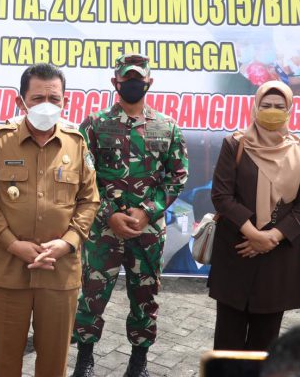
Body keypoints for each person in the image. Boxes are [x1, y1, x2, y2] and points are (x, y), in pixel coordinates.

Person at [0, 63, 100, 377]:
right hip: (8, 271)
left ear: (65, 101)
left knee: (54, 363)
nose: (47, 104)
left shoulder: (76, 142)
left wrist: (67, 243)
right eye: (38, 97)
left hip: (59, 273)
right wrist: (12, 244)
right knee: (4, 362)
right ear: (21, 102)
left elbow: (89, 200)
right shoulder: (0, 141)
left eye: (54, 98)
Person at [72, 54, 189, 377]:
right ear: (116, 83)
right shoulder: (94, 125)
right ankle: (85, 359)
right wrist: (109, 214)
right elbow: (85, 174)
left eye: (139, 79)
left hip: (147, 232)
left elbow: (177, 175)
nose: (133, 84)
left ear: (149, 83)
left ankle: (138, 362)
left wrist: (147, 212)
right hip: (104, 230)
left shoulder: (167, 127)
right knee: (92, 296)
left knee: (145, 297)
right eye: (127, 79)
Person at [209, 80, 300, 351]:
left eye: (279, 106)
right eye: (266, 105)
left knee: (266, 340)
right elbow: (222, 196)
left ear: (289, 110)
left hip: (278, 257)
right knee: (228, 339)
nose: (272, 111)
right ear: (255, 107)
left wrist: (272, 236)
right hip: (237, 250)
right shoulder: (234, 144)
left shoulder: (298, 150)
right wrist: (254, 234)